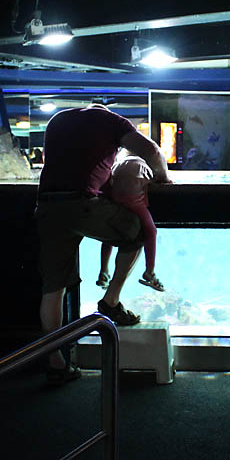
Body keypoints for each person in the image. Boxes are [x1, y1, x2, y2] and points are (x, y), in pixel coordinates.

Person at [36, 104, 169, 386]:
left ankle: (56, 362)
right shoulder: (111, 121)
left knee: (53, 287)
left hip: (46, 206)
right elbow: (152, 151)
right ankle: (110, 301)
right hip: (82, 204)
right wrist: (163, 178)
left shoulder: (58, 119)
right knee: (136, 232)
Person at [96, 150, 164, 292]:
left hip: (115, 200)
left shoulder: (118, 163)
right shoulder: (144, 164)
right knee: (151, 232)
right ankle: (150, 271)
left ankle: (103, 270)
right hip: (134, 202)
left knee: (109, 235)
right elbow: (159, 179)